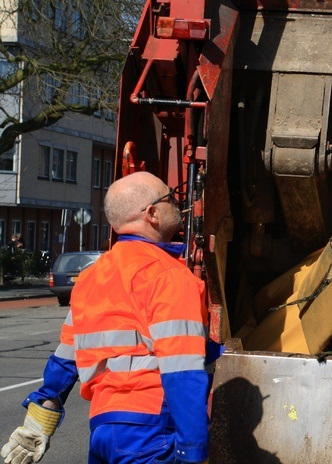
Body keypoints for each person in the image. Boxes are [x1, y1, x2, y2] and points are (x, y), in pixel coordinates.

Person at [1, 171, 211, 464]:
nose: (178, 203)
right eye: (171, 198)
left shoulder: (91, 278)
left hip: (103, 428)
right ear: (152, 214)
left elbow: (67, 357)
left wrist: (40, 417)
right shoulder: (169, 276)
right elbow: (182, 371)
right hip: (152, 430)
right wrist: (193, 452)